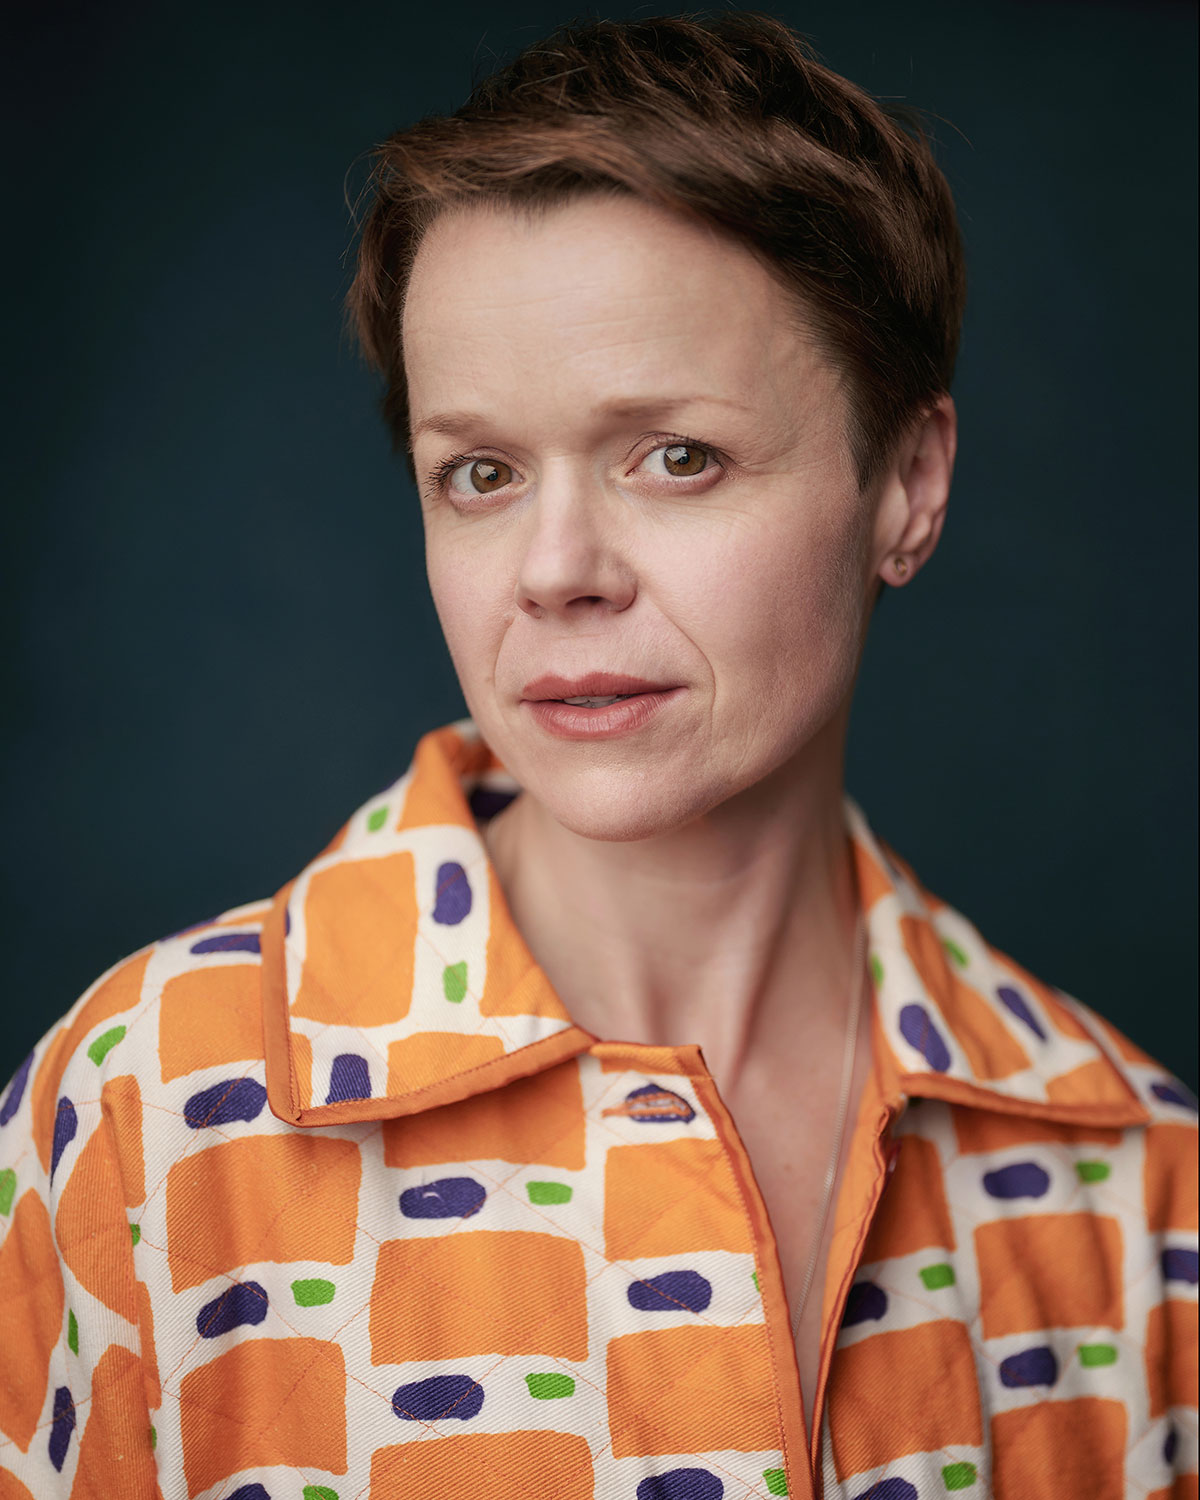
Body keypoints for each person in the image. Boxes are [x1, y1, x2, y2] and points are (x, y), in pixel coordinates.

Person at [0, 11, 1195, 1499]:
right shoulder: (149, 1117)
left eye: (674, 456)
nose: (554, 570)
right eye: (481, 473)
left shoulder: (1133, 1181)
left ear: (907, 483)